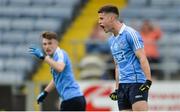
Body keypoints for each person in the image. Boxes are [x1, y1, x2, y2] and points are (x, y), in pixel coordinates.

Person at [98, 5, 152, 111]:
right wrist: (117, 88)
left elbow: (142, 57)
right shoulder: (111, 40)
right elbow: (118, 65)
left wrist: (148, 80)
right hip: (123, 85)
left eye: (101, 18)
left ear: (112, 18)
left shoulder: (130, 34)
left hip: (136, 83)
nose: (99, 22)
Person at [29, 31, 86, 111]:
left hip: (71, 99)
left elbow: (60, 68)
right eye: (44, 44)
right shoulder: (54, 58)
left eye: (50, 43)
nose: (47, 47)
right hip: (74, 99)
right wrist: (45, 92)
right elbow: (56, 78)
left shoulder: (60, 53)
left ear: (56, 44)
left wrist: (44, 58)